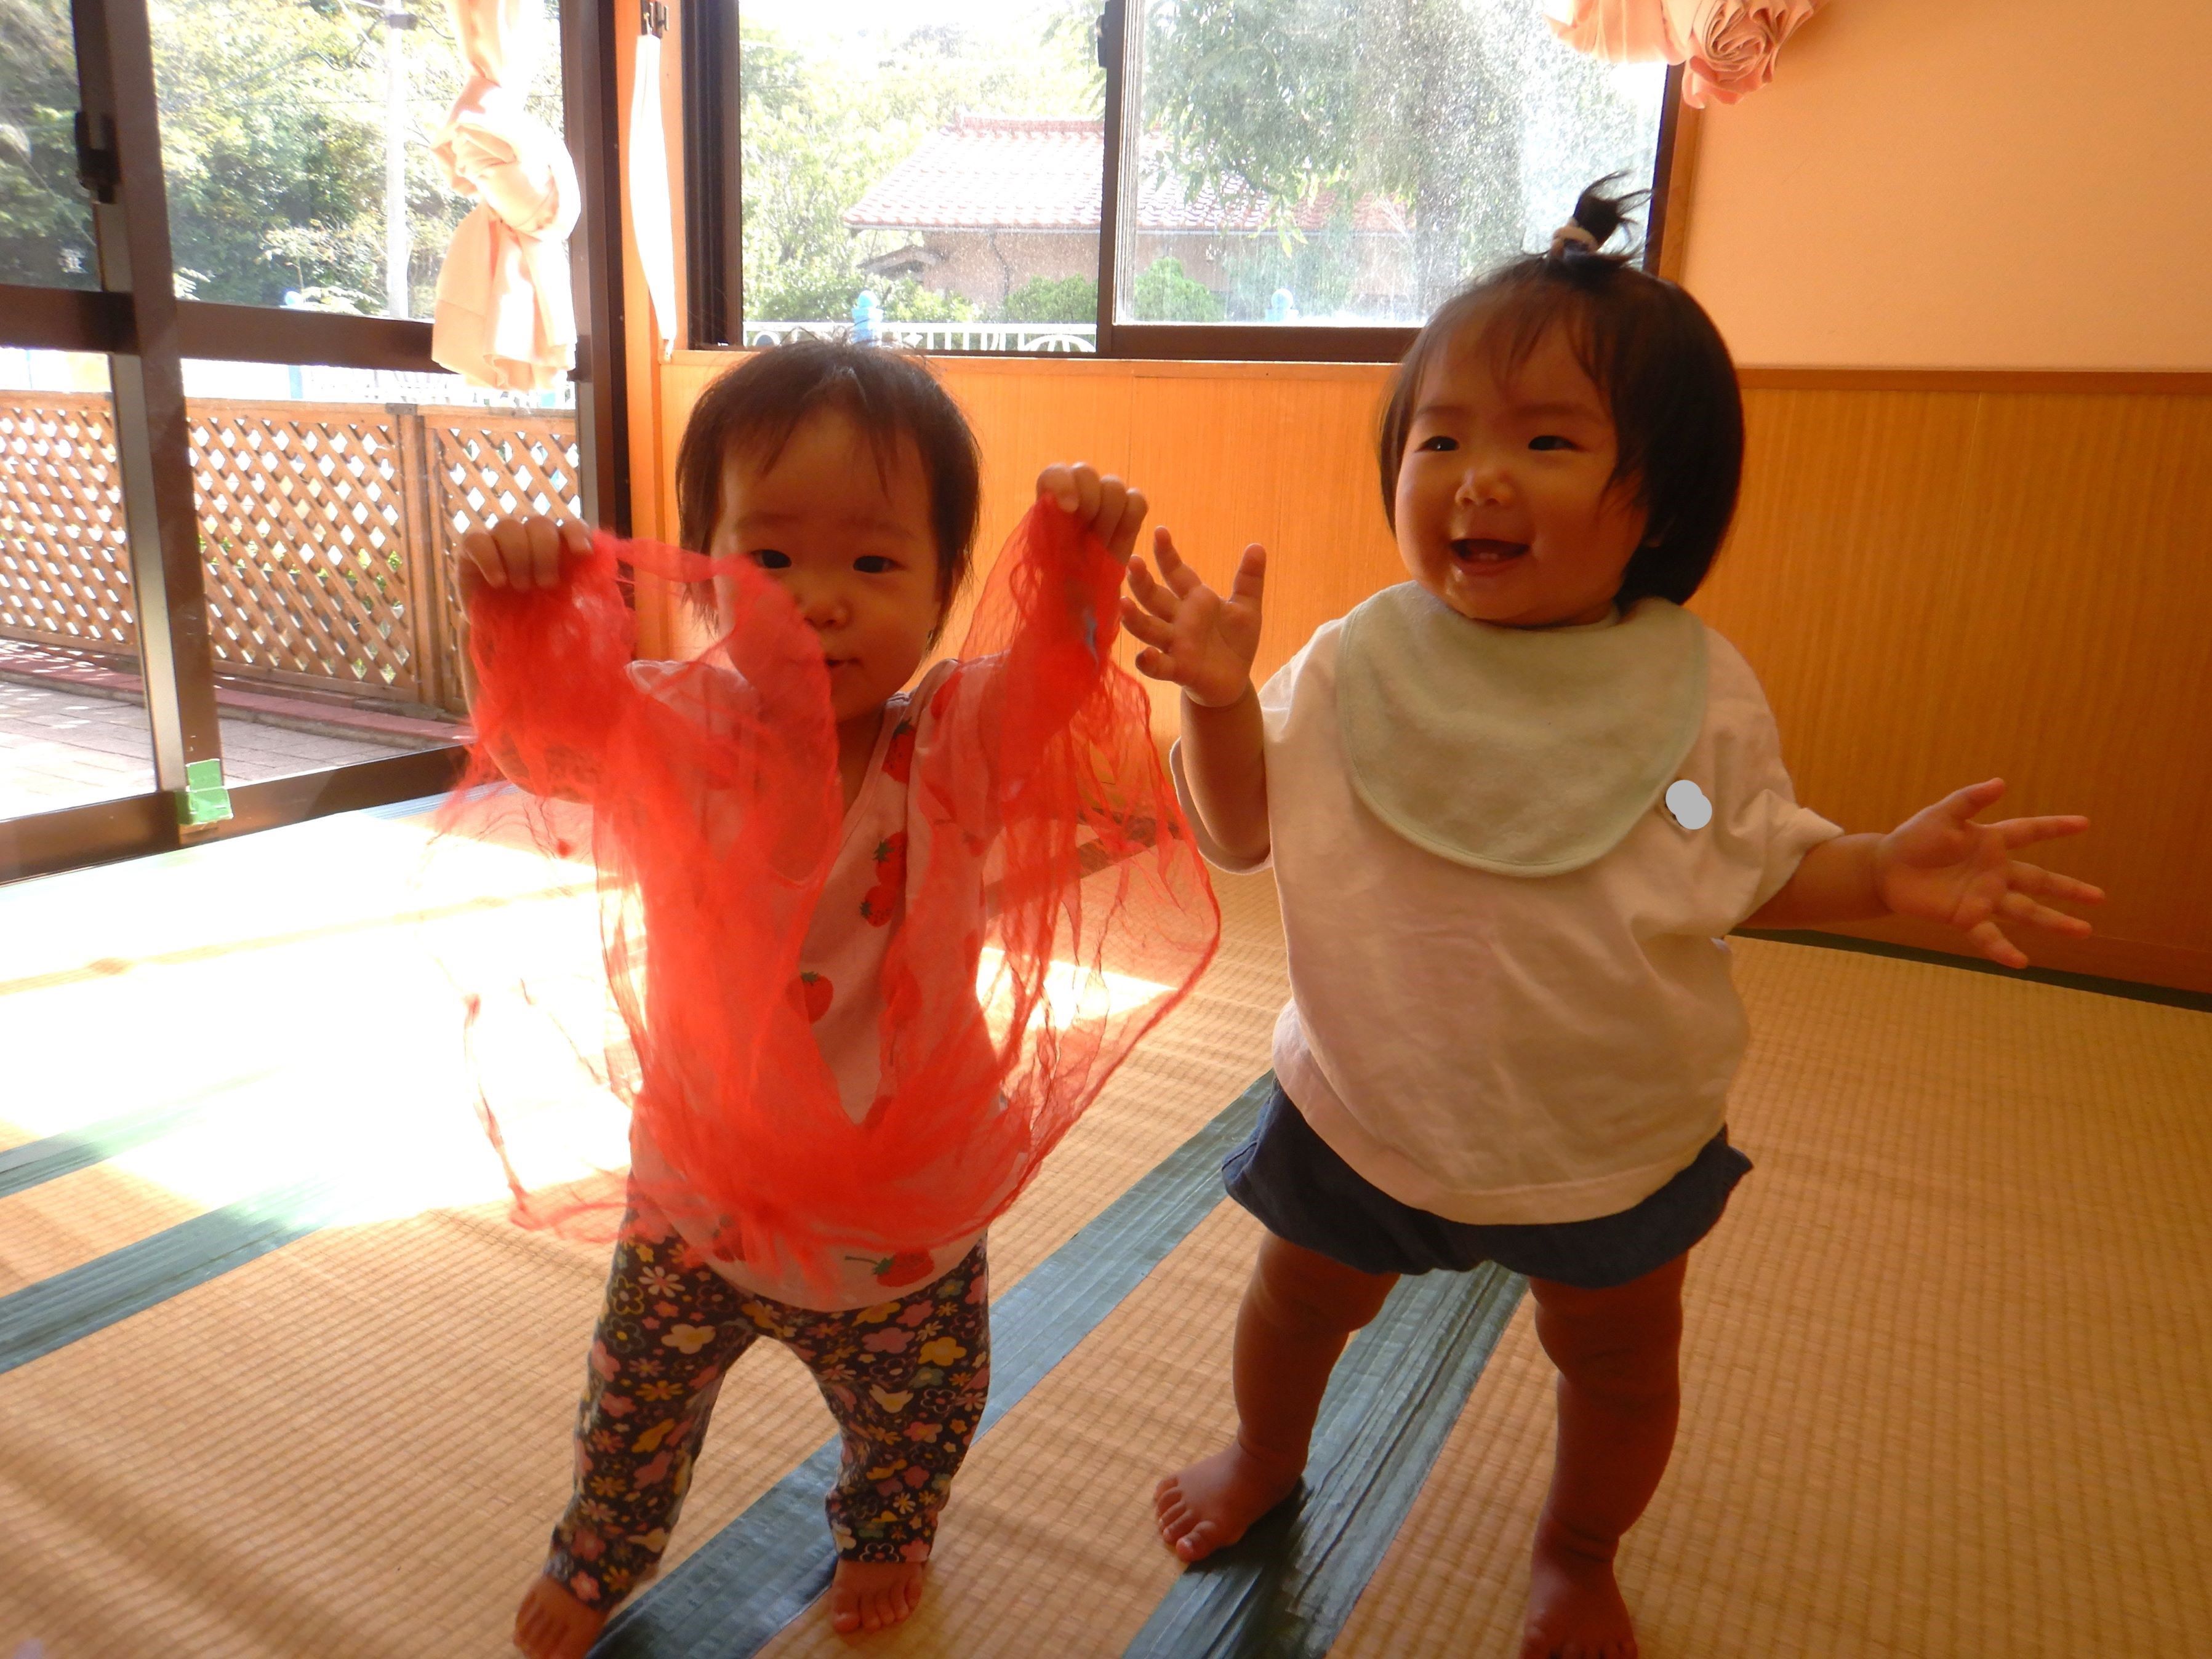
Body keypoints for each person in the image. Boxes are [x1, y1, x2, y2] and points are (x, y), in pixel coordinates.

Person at [1127, 182, 2104, 1659]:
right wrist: (1214, 703)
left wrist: (1878, 875)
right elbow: (1247, 824)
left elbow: (1729, 856)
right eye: (1440, 438)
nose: (1478, 477)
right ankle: (1266, 1454)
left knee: (1621, 1362)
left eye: (1546, 442)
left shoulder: (1685, 700)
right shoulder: (1357, 668)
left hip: (1611, 1129)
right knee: (1297, 1300)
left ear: (1662, 500)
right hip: (1369, 1099)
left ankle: (1577, 1551)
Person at [454, 341, 1210, 1657]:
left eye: (871, 562)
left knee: (918, 1412)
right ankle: (597, 1550)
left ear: (944, 587)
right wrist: (513, 613)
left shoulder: (953, 740)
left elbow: (1058, 680)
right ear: (701, 571)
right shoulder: (670, 726)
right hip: (700, 1192)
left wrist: (1081, 569)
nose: (817, 601)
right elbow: (540, 738)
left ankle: (887, 1529)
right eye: (769, 559)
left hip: (896, 1212)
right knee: (632, 1402)